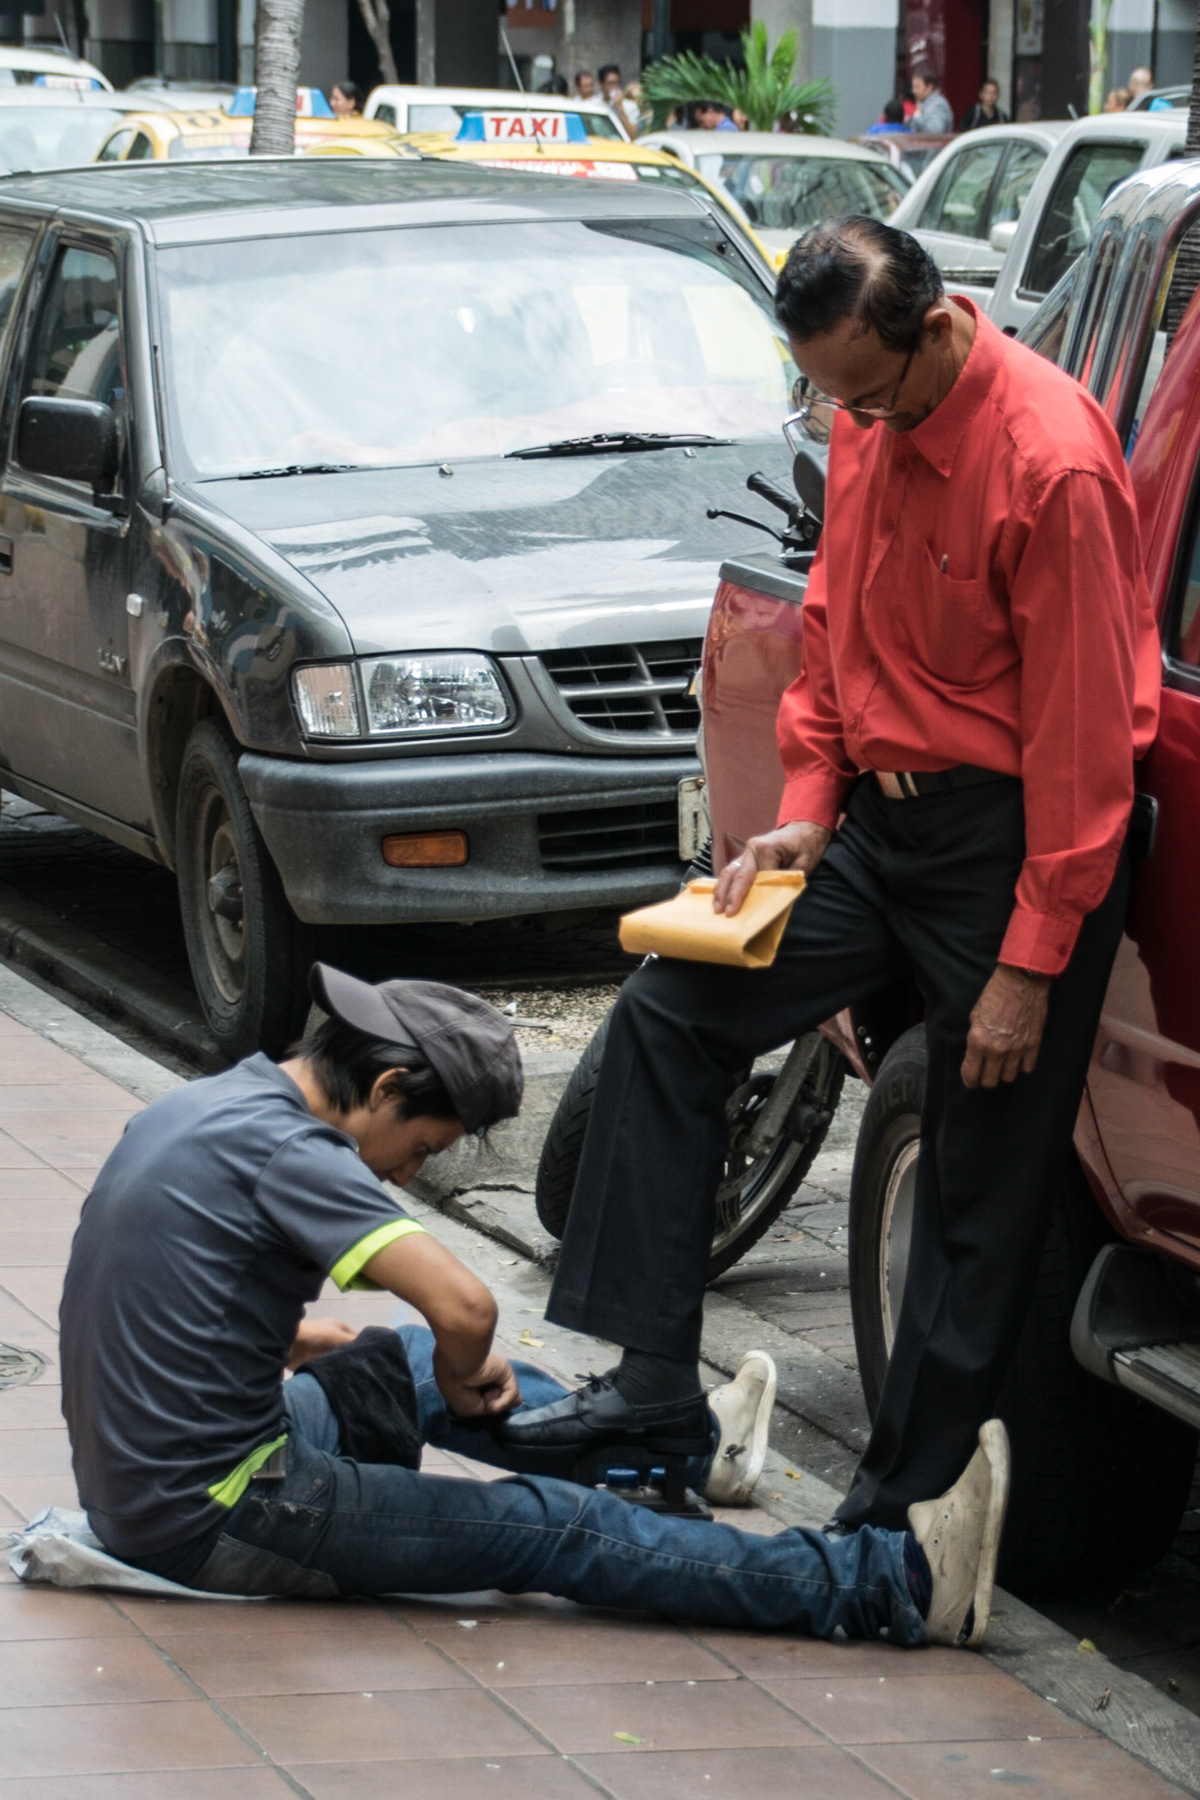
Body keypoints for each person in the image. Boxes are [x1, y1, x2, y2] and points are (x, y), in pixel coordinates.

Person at [502, 215, 1157, 1545]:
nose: (846, 416)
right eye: (824, 390)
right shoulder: (870, 415)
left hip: (1015, 845)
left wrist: (1030, 966)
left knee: (972, 1190)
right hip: (882, 827)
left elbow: (1090, 750)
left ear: (934, 329)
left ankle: (889, 1533)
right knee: (669, 1013)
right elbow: (834, 644)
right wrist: (807, 810)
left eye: (862, 388)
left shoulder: (1052, 462)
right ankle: (646, 1399)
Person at [59, 959, 1008, 1647]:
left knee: (383, 1363)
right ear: (385, 1086)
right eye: (422, 1148)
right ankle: (894, 1584)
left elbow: (163, 1278)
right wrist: (454, 1356)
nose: (406, 1172)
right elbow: (467, 1311)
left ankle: (683, 1446)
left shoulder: (216, 1104)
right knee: (553, 1527)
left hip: (147, 1483)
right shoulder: (297, 1152)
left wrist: (295, 1333)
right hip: (224, 1512)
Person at [599, 61, 640, 134]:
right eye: (610, 84)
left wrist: (620, 108)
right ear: (601, 85)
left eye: (617, 83)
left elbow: (633, 135)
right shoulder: (593, 104)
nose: (614, 87)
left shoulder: (631, 107)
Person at [911, 67, 954, 134]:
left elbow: (935, 132)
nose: (914, 91)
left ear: (929, 87)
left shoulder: (938, 105)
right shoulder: (921, 103)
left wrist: (918, 118)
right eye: (913, 87)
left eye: (917, 87)